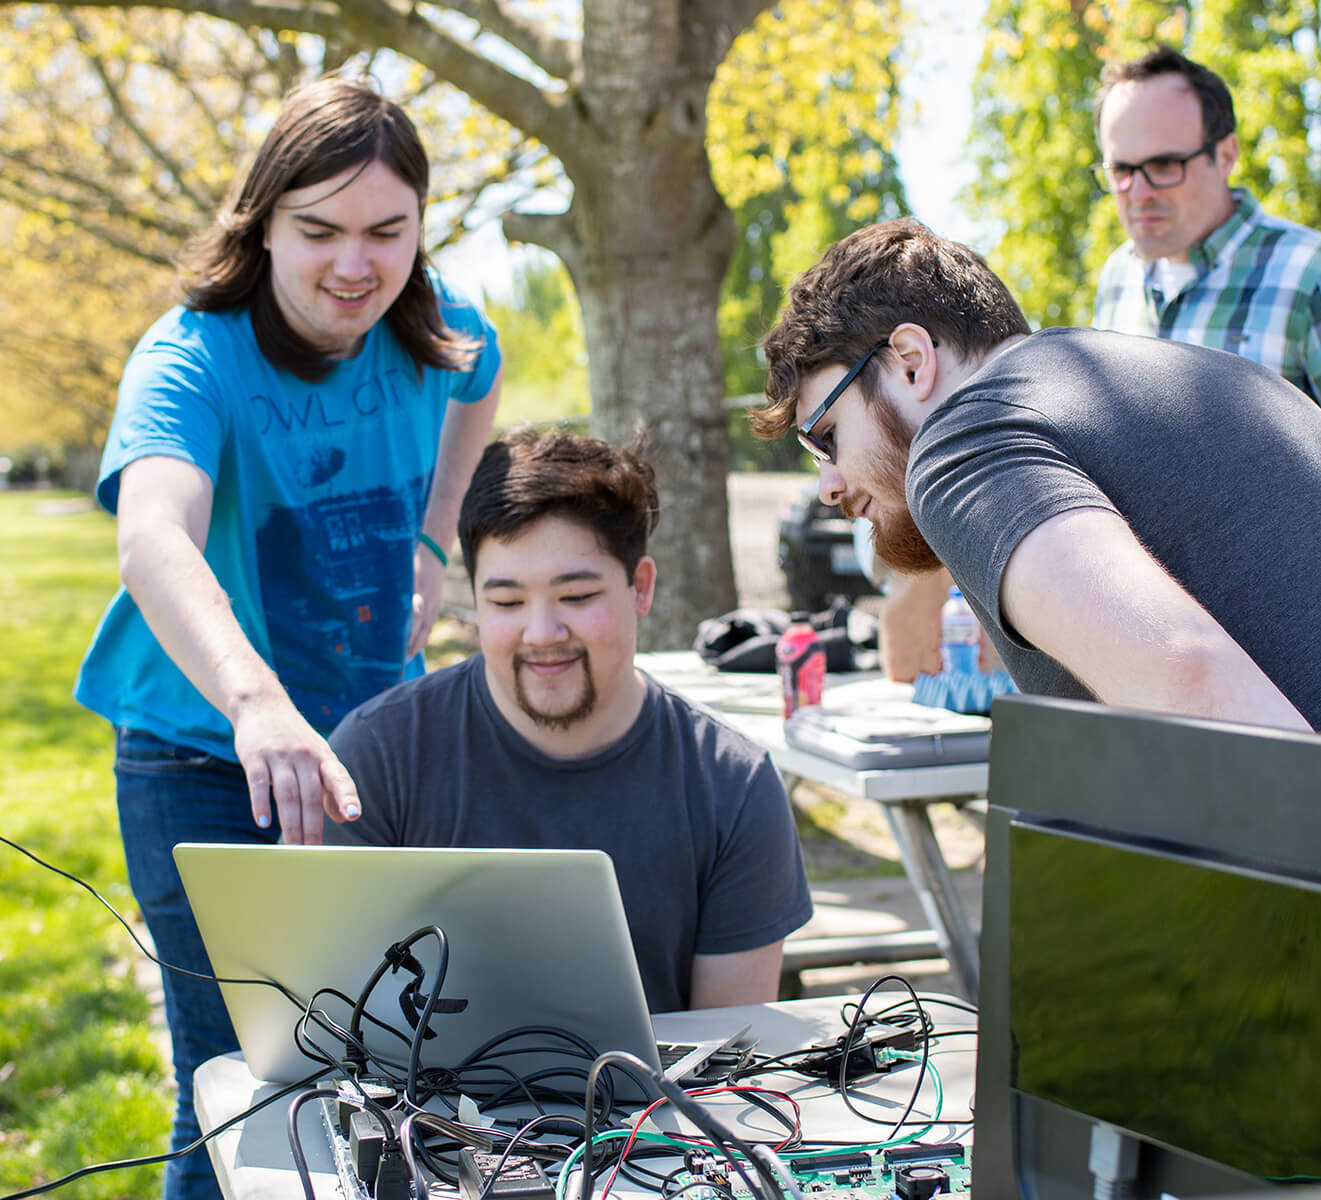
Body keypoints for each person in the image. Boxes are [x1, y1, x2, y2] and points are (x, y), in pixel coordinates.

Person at [74, 77, 503, 1200]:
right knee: (237, 1087)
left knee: (383, 1072)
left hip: (371, 748)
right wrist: (256, 701)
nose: (353, 266)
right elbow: (154, 538)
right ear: (260, 221)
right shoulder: (191, 357)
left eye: (386, 232)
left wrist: (431, 536)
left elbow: (480, 385)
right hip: (203, 754)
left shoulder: (442, 321)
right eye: (317, 231)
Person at [752, 217, 1321, 760]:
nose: (829, 484)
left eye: (825, 436)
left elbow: (1185, 676)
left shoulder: (963, 442)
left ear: (912, 359)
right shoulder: (1199, 376)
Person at [324, 428, 814, 1013]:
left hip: (651, 1106)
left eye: (577, 596)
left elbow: (728, 1066)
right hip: (416, 1108)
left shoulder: (732, 785)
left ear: (641, 587)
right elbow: (328, 1025)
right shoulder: (376, 757)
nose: (542, 634)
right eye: (506, 603)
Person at [1091, 46, 1321, 542]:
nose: (1139, 191)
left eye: (1165, 164)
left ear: (1227, 154)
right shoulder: (1117, 281)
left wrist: (1307, 606)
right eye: (1121, 170)